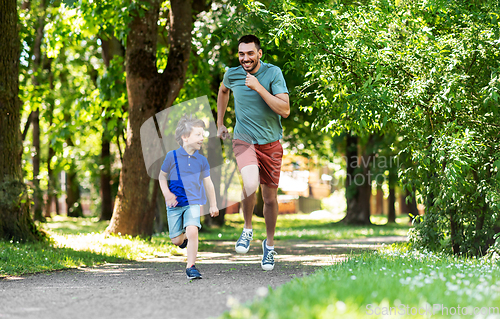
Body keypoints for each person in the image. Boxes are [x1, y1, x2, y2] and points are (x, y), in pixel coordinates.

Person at [217, 34, 290, 271]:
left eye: (250, 53)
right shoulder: (232, 73)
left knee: (269, 199)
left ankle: (268, 246)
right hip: (243, 139)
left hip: (270, 143)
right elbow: (223, 91)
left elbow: (285, 110)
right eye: (241, 54)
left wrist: (258, 87)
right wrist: (220, 122)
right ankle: (247, 229)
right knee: (249, 182)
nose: (245, 58)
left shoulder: (273, 73)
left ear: (259, 54)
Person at [159, 115, 219, 280]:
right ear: (185, 137)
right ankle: (183, 239)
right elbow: (162, 176)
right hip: (175, 205)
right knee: (176, 240)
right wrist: (167, 194)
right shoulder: (172, 156)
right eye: (198, 135)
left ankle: (191, 267)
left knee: (193, 231)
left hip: (193, 203)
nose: (202, 138)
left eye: (203, 134)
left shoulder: (202, 161)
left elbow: (208, 183)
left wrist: (213, 204)